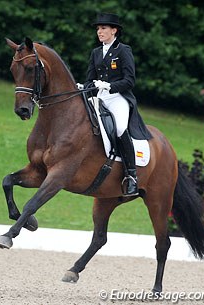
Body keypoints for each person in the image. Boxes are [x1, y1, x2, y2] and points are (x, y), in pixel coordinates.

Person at [84, 12, 152, 196]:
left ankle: (131, 176)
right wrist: (87, 87)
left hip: (118, 97)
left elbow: (130, 80)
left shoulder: (123, 50)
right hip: (100, 97)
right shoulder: (96, 52)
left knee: (120, 128)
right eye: (98, 28)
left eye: (103, 28)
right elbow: (90, 79)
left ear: (114, 31)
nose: (100, 32)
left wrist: (109, 86)